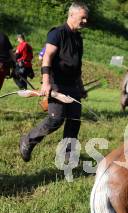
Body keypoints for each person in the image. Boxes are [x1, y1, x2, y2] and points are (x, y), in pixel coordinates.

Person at [19, 2, 89, 162]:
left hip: (72, 85)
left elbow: (77, 66)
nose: (85, 21)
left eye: (86, 18)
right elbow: (47, 56)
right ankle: (28, 140)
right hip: (56, 82)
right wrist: (46, 83)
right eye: (83, 18)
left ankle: (67, 156)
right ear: (72, 15)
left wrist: (81, 86)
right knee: (56, 119)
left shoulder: (78, 39)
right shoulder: (57, 33)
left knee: (74, 120)